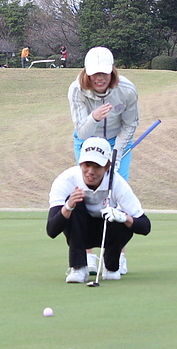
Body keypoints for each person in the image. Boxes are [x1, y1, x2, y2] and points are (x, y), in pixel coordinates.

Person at [67, 46, 139, 275]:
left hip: (117, 141)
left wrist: (115, 155)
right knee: (86, 192)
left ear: (112, 71)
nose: (99, 78)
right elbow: (83, 131)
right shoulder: (76, 90)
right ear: (87, 72)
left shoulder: (126, 90)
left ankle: (118, 254)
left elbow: (130, 124)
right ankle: (88, 255)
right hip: (86, 140)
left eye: (104, 73)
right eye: (95, 73)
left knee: (116, 195)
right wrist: (94, 117)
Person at [46, 137, 150, 284]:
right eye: (87, 165)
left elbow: (145, 226)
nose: (90, 171)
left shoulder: (118, 183)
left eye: (97, 166)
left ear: (107, 166)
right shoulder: (66, 180)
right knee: (75, 203)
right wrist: (68, 206)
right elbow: (52, 229)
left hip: (108, 232)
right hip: (80, 232)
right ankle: (79, 267)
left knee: (120, 217)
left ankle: (111, 266)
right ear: (80, 163)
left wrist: (124, 217)